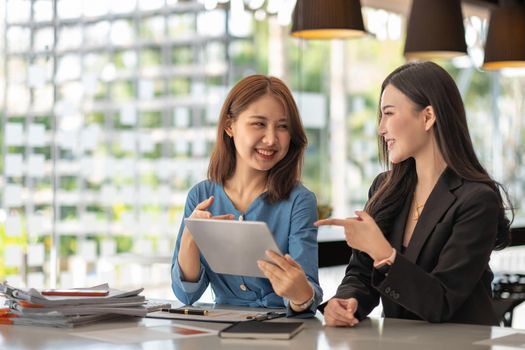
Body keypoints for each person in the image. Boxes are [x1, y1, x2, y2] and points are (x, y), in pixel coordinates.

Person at [316, 61, 513, 326]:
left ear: (428, 116)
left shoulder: (477, 199)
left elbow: (442, 302)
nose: (381, 128)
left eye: (389, 113)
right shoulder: (385, 188)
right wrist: (346, 302)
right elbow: (361, 274)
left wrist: (384, 254)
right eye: (381, 115)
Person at [171, 75, 322, 316]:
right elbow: (186, 295)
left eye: (282, 126)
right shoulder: (201, 195)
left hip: (283, 331)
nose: (271, 139)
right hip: (218, 329)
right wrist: (191, 237)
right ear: (229, 126)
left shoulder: (299, 201)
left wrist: (300, 293)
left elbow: (307, 294)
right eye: (259, 124)